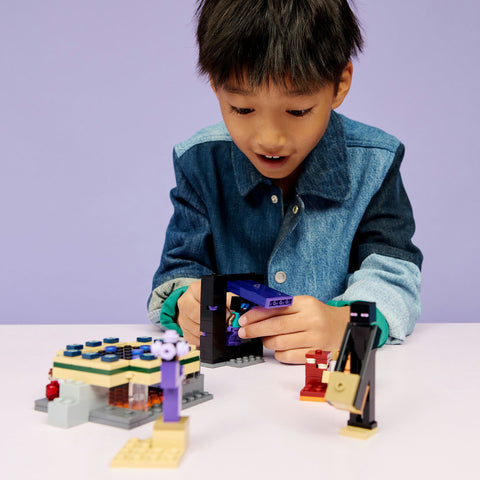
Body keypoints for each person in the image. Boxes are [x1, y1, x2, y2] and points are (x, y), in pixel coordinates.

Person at [147, 0, 423, 364]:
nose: (270, 139)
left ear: (340, 84)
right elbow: (179, 270)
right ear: (215, 85)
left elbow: (394, 276)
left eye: (297, 111)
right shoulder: (199, 161)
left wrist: (346, 323)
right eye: (243, 109)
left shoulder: (376, 160)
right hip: (234, 381)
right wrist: (187, 301)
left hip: (325, 374)